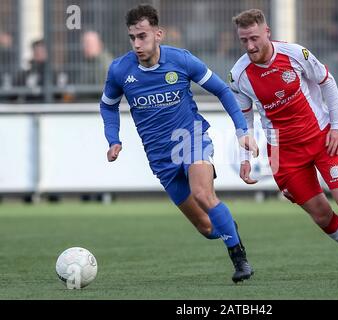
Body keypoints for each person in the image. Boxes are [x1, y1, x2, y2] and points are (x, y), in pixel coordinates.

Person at [99, 4, 259, 283]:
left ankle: (239, 259)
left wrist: (241, 129)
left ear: (158, 34)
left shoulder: (181, 60)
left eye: (143, 36)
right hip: (160, 157)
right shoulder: (120, 70)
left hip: (191, 139)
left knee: (202, 193)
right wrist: (113, 139)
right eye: (132, 37)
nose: (137, 43)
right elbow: (108, 106)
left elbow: (222, 89)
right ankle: (227, 226)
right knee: (207, 227)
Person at [229, 9, 338, 278]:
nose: (250, 46)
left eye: (254, 38)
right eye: (244, 41)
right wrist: (244, 157)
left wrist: (337, 127)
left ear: (267, 32)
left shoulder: (295, 54)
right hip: (283, 154)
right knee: (321, 215)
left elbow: (328, 82)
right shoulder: (239, 74)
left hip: (320, 138)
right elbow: (244, 118)